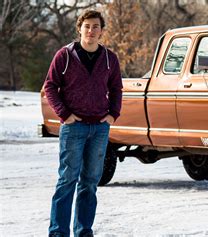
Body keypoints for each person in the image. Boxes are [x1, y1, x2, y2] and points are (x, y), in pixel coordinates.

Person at [44, 9, 122, 237]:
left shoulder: (109, 59)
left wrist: (112, 114)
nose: (91, 31)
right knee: (67, 180)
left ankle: (83, 232)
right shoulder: (65, 56)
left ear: (102, 31)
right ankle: (58, 233)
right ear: (80, 29)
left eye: (95, 26)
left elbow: (116, 88)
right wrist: (64, 114)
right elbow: (50, 86)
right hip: (73, 127)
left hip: (99, 128)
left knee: (89, 183)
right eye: (87, 26)